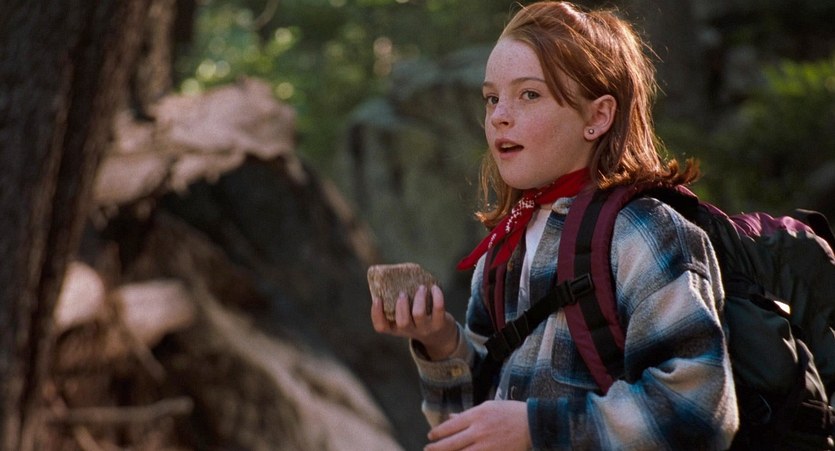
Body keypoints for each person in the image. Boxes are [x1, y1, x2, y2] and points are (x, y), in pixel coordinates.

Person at [370, 1, 739, 449]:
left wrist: (536, 428)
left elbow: (701, 412)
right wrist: (441, 342)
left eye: (529, 94)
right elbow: (473, 427)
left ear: (597, 117)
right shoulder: (503, 248)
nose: (499, 116)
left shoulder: (642, 233)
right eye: (492, 98)